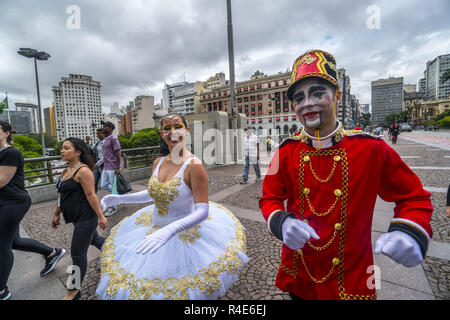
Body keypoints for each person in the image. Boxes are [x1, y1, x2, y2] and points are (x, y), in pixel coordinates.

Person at [259, 49, 433, 300]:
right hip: (301, 275)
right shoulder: (286, 150)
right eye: (299, 97)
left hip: (350, 279)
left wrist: (409, 230)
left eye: (318, 93)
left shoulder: (370, 148)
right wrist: (281, 221)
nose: (307, 103)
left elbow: (414, 198)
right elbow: (269, 198)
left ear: (336, 95)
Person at [95, 113, 248, 300]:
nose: (172, 132)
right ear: (162, 134)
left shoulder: (194, 165)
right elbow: (154, 193)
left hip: (184, 236)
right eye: (167, 128)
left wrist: (169, 231)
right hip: (153, 227)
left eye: (178, 126)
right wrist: (119, 199)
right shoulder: (158, 162)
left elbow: (202, 210)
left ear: (187, 131)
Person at [0, 121, 66, 301]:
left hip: (13, 202)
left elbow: (1, 181)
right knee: (14, 242)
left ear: (6, 133)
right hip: (4, 203)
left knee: (2, 246)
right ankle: (52, 253)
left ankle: (1, 290)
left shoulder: (11, 152)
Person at [52, 137, 107, 300]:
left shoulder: (83, 171)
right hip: (75, 217)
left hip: (86, 217)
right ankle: (115, 253)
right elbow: (61, 196)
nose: (62, 151)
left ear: (78, 152)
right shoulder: (66, 171)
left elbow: (91, 196)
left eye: (66, 148)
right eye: (62, 148)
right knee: (95, 240)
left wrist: (101, 216)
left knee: (77, 254)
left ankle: (73, 290)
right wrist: (56, 213)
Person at [100, 121, 121, 216]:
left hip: (113, 167)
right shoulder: (105, 139)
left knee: (113, 188)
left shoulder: (114, 138)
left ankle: (113, 207)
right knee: (103, 185)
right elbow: (105, 154)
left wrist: (117, 167)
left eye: (105, 126)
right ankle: (117, 193)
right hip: (106, 167)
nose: (103, 128)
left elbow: (118, 154)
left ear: (110, 128)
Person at [92, 128, 105, 193]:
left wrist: (97, 164)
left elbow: (105, 156)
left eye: (98, 133)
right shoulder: (98, 142)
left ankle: (117, 196)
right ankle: (94, 199)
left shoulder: (106, 142)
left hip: (105, 164)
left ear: (103, 133)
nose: (97, 135)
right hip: (98, 163)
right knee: (94, 183)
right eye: (97, 133)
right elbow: (91, 149)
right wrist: (87, 142)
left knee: (106, 184)